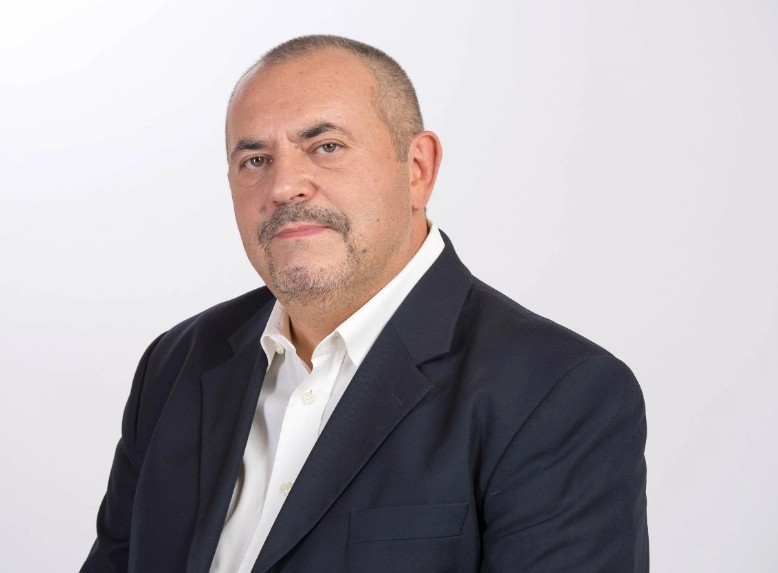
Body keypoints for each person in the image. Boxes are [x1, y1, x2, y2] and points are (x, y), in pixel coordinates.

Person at [82, 35, 648, 572]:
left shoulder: (556, 391)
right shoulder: (177, 363)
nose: (283, 186)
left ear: (418, 169)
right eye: (255, 159)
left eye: (326, 147)